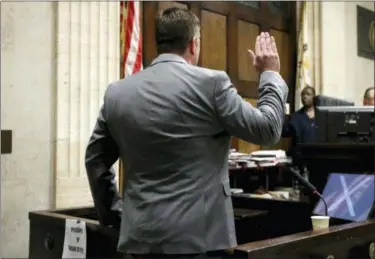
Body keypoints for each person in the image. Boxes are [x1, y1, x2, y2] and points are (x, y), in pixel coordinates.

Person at [85, 7, 288, 259]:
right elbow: (268, 129)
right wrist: (270, 74)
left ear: (158, 43)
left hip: (139, 241)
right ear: (194, 44)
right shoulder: (212, 84)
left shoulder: (117, 92)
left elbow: (95, 160)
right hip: (198, 243)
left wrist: (115, 215)